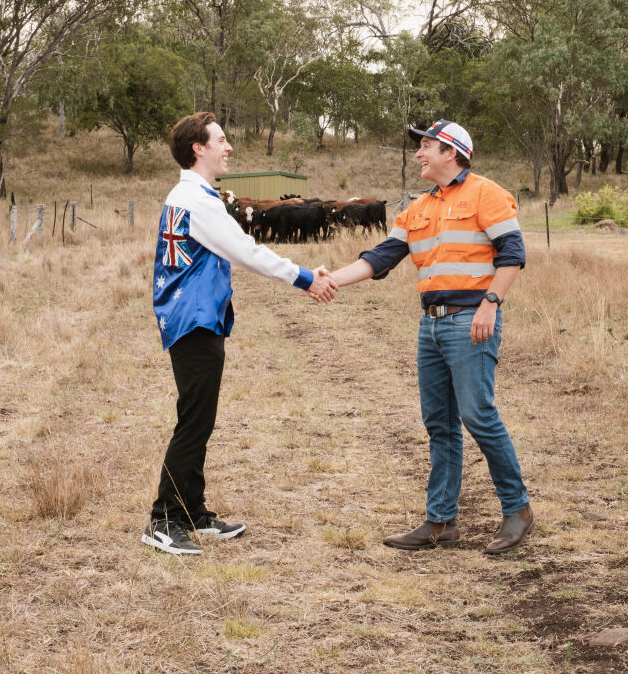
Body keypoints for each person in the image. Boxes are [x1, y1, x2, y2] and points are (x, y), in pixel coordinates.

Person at [330, 120, 533, 554]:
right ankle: (441, 523)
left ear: (451, 152)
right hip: (432, 325)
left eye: (426, 146)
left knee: (478, 416)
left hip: (470, 320)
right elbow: (382, 257)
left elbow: (512, 255)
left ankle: (517, 511)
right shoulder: (418, 207)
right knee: (439, 424)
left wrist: (490, 305)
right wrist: (327, 280)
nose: (419, 153)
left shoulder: (486, 193)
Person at [142, 111, 338, 555]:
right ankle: (163, 519)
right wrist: (306, 277)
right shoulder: (199, 201)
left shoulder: (187, 194)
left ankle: (192, 511)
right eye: (222, 140)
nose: (229, 147)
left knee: (200, 418)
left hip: (194, 317)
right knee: (194, 421)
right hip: (193, 320)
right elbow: (246, 251)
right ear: (199, 148)